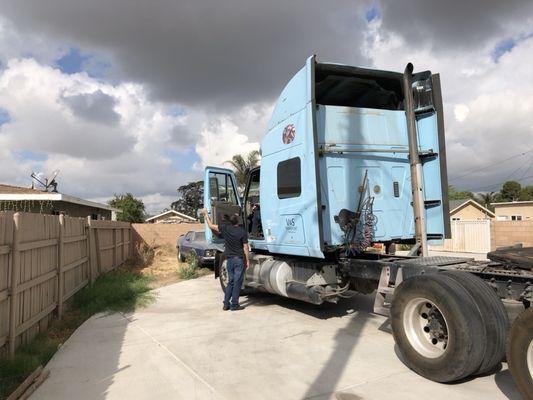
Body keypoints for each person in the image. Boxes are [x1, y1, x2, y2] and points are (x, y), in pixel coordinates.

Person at [202, 208, 249, 311]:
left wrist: (205, 215)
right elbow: (245, 247)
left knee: (230, 282)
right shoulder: (242, 231)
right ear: (238, 221)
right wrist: (248, 260)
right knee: (237, 283)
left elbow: (210, 226)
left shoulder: (225, 228)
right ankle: (234, 305)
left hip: (229, 260)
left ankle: (226, 304)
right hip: (239, 260)